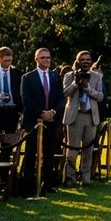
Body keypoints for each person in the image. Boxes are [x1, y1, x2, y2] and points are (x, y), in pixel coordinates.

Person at [20, 48, 63, 194]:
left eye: (48, 57)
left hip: (51, 121)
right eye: (43, 58)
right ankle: (28, 184)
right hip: (33, 120)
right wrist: (41, 113)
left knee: (49, 153)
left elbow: (61, 98)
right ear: (36, 59)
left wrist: (53, 112)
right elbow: (26, 99)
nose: (46, 60)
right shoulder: (28, 77)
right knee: (31, 152)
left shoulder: (55, 76)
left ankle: (47, 183)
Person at [61, 65, 105, 187]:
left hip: (90, 116)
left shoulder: (96, 76)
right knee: (72, 149)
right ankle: (70, 177)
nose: (85, 62)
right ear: (77, 61)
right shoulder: (69, 76)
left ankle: (86, 177)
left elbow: (101, 97)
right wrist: (75, 84)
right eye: (82, 59)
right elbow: (64, 93)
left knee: (88, 149)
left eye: (87, 59)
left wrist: (88, 89)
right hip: (75, 115)